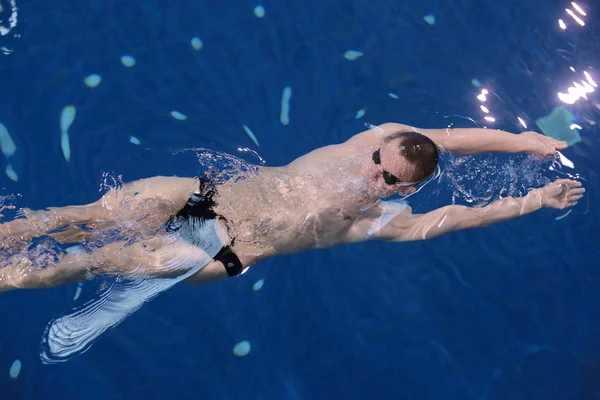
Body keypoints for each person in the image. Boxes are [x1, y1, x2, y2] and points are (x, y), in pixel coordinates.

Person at [0, 122, 585, 292]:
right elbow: (452, 137)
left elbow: (465, 216)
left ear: (403, 190)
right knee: (69, 218)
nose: (370, 172)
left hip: (219, 250)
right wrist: (523, 141)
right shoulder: (372, 142)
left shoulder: (385, 219)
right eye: (376, 158)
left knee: (80, 262)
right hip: (209, 192)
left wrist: (537, 198)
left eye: (386, 177)